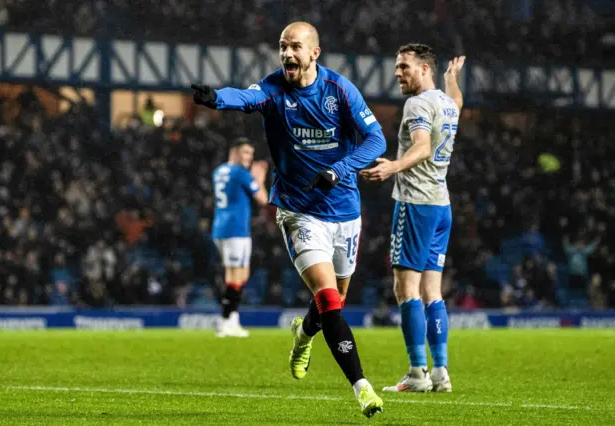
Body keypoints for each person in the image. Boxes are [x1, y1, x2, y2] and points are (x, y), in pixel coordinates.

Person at [192, 21, 385, 418]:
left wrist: (341, 169)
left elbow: (377, 140)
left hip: (345, 212)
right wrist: (215, 98)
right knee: (330, 301)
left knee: (336, 299)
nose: (287, 54)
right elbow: (244, 97)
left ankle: (303, 334)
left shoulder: (340, 90)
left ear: (314, 52)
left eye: (295, 47)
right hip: (299, 212)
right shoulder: (273, 88)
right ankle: (362, 387)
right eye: (282, 47)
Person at [361, 45, 465, 393]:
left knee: (405, 290)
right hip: (441, 206)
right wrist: (452, 81)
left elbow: (421, 146)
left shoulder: (417, 104)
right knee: (432, 291)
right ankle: (441, 372)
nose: (397, 73)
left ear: (423, 69)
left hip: (416, 203)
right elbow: (457, 107)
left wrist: (392, 166)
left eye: (403, 66)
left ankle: (417, 372)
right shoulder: (446, 103)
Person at [212, 137, 268, 337]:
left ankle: (232, 319)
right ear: (234, 152)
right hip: (235, 229)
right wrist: (259, 179)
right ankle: (226, 321)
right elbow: (262, 199)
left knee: (241, 273)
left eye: (251, 154)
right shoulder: (240, 173)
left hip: (221, 228)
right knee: (235, 275)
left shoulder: (218, 171)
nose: (249, 157)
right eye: (245, 153)